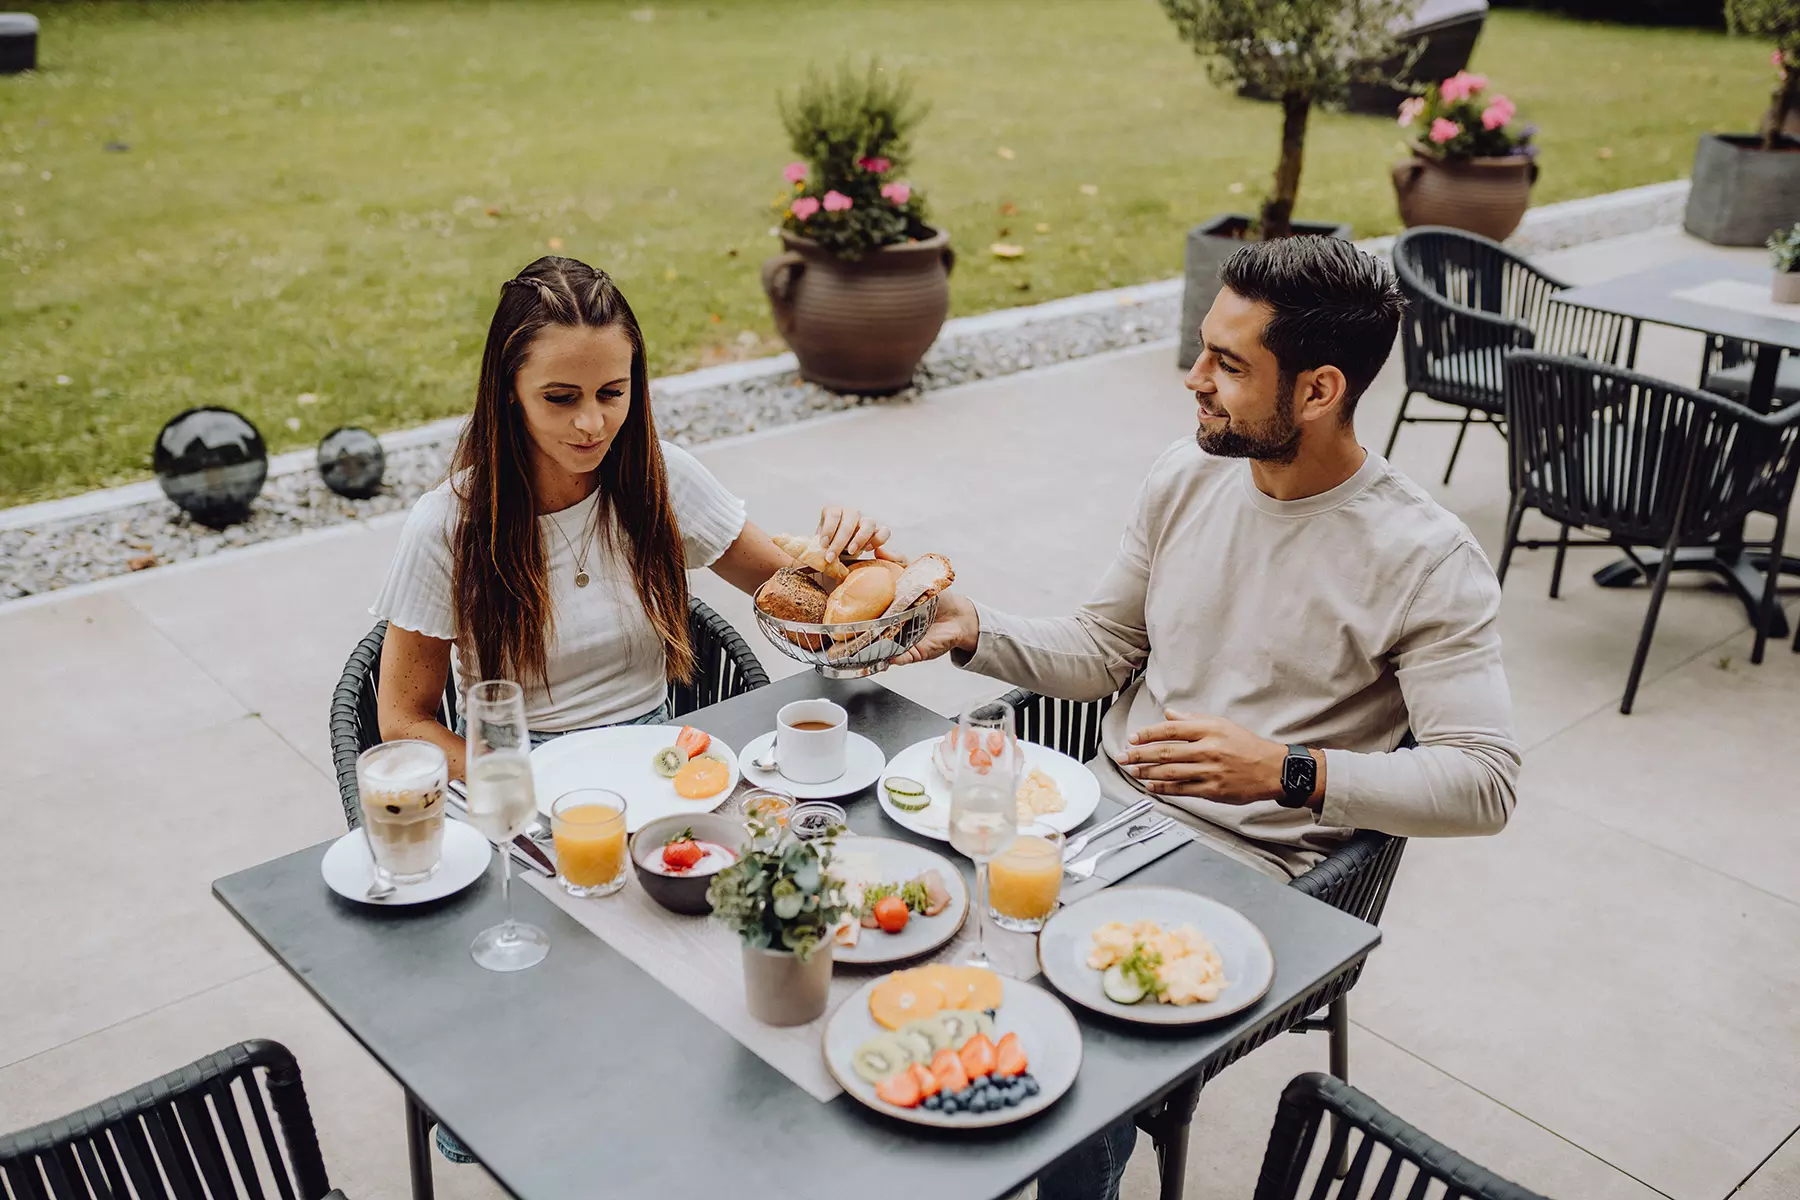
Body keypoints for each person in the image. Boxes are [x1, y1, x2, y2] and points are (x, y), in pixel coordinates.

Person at [899, 236, 1520, 1200]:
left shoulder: (1426, 558)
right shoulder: (1187, 475)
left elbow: (1484, 782)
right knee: (906, 923)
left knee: (1079, 1053)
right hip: (1094, 819)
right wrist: (974, 626)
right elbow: (1104, 646)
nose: (1193, 379)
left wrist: (1288, 770)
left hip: (1254, 868)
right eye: (1202, 349)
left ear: (1318, 391)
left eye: (1227, 364)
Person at [370, 255, 892, 772]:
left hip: (651, 762)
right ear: (509, 389)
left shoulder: (663, 479)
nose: (592, 423)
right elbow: (403, 720)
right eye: (560, 398)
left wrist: (853, 562)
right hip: (513, 772)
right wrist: (518, 784)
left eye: (611, 393)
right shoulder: (447, 525)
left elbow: (812, 611)